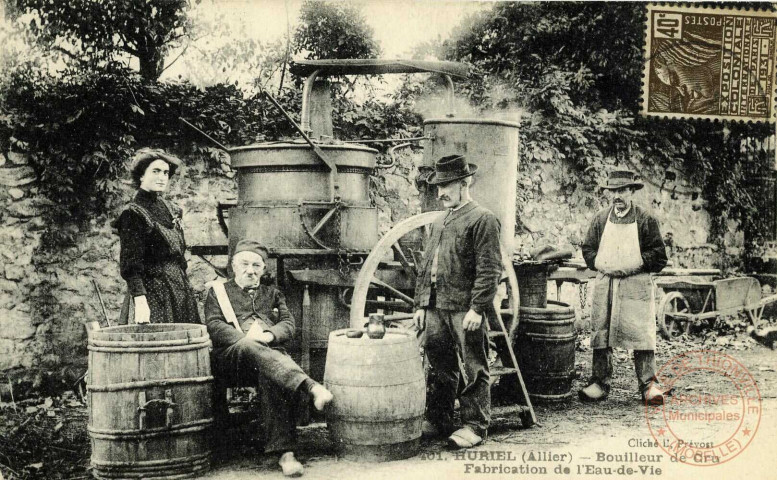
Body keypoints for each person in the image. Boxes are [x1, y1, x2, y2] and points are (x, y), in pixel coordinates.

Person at [204, 239, 333, 477]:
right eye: (244, 264)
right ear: (233, 266)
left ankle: (286, 454)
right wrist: (245, 339)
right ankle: (310, 386)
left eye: (256, 265)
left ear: (264, 270)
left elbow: (288, 324)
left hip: (269, 357)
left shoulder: (272, 294)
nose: (250, 271)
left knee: (272, 371)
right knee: (251, 347)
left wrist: (269, 336)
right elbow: (213, 325)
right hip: (232, 359)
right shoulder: (218, 292)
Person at [413, 154, 503, 449]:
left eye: (446, 186)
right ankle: (439, 419)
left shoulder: (483, 219)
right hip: (436, 307)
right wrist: (420, 305)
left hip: (465, 308)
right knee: (439, 364)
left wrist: (477, 308)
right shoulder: (440, 222)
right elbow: (427, 267)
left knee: (474, 364)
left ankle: (475, 425)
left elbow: (490, 269)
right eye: (438, 187)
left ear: (465, 183)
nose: (440, 193)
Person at [580, 169, 668, 405]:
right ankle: (599, 383)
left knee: (641, 333)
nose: (617, 196)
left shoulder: (646, 219)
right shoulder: (600, 219)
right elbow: (587, 248)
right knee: (601, 331)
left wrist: (635, 264)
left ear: (631, 191)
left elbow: (659, 255)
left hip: (635, 283)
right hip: (606, 282)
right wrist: (600, 263)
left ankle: (649, 385)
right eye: (614, 191)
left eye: (622, 191)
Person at [114, 148, 199, 324]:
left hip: (179, 288)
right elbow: (130, 264)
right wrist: (140, 301)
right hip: (152, 293)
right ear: (141, 176)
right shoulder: (133, 214)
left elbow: (180, 257)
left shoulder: (172, 209)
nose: (162, 177)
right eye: (156, 171)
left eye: (166, 173)